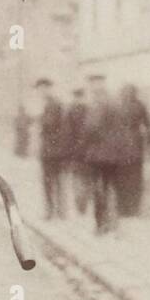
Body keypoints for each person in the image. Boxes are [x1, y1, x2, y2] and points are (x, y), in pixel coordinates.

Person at [82, 73, 122, 235]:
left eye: (94, 84)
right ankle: (111, 224)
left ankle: (101, 225)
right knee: (110, 188)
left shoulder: (99, 104)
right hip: (111, 154)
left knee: (100, 189)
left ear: (99, 85)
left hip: (99, 155)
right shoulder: (113, 102)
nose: (92, 87)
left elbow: (91, 127)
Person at [116, 83, 150, 217]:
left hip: (122, 146)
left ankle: (123, 209)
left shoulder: (119, 105)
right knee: (135, 178)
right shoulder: (140, 105)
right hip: (135, 146)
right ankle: (134, 208)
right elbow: (148, 126)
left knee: (122, 178)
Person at [35, 78, 70, 220]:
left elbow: (52, 125)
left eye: (43, 88)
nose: (41, 91)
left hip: (53, 150)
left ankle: (56, 211)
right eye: (39, 89)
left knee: (53, 181)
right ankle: (56, 211)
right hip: (50, 150)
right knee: (52, 181)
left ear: (49, 88)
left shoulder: (53, 104)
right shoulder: (49, 104)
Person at [65, 87, 90, 215]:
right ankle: (81, 204)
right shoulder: (71, 111)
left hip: (83, 151)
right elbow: (67, 132)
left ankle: (82, 204)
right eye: (76, 97)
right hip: (77, 151)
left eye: (79, 97)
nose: (78, 99)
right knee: (79, 178)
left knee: (82, 178)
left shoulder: (86, 110)